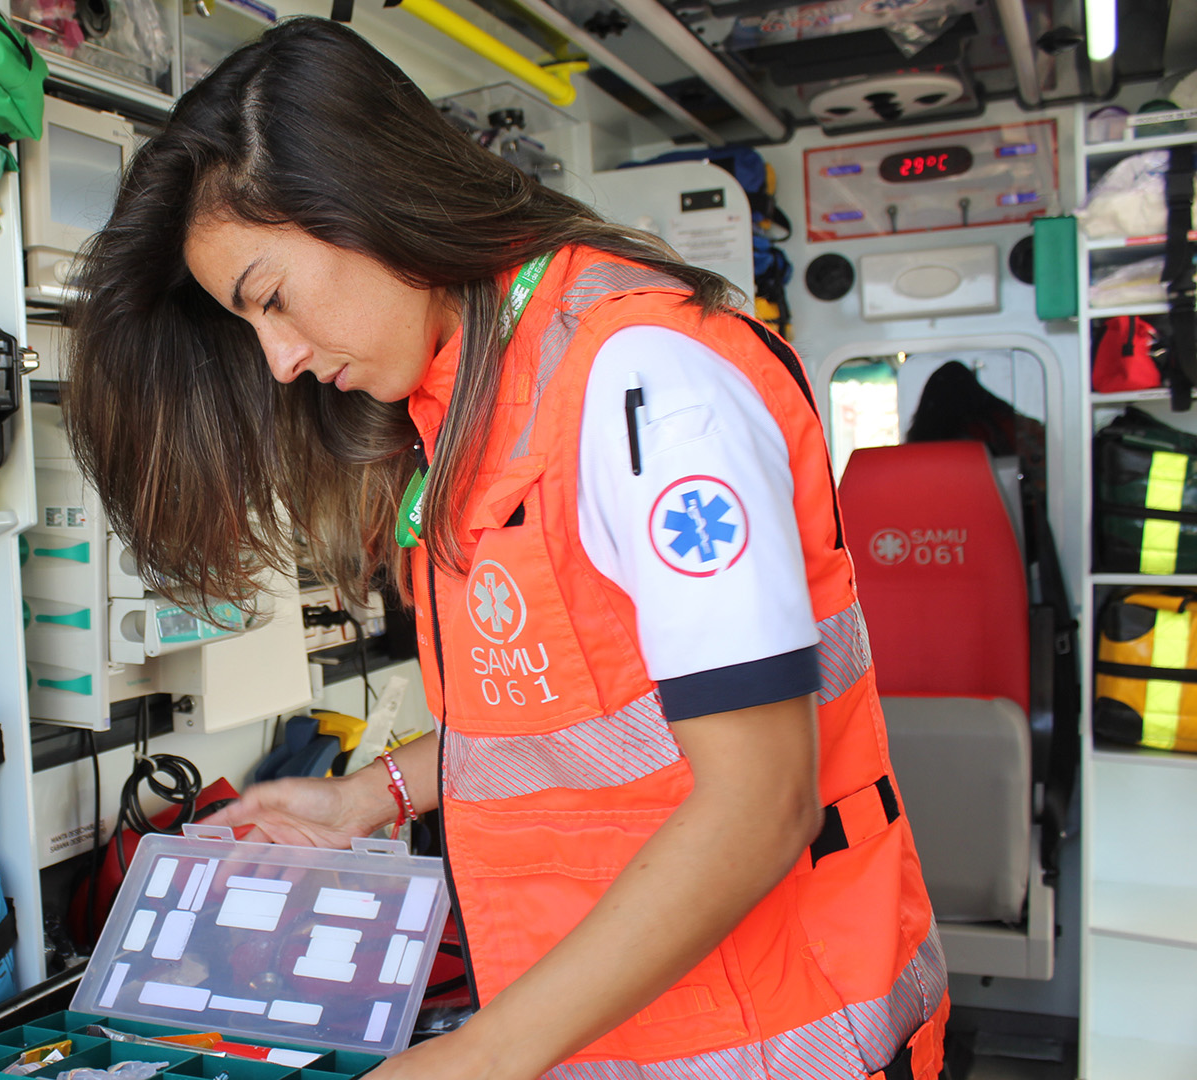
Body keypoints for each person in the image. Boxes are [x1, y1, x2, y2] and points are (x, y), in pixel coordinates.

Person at [63, 18, 946, 1080]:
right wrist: (365, 798)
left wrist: (470, 1060)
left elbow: (762, 801)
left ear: (362, 195)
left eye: (273, 300)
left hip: (776, 1042)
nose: (282, 359)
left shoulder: (646, 390)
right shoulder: (473, 412)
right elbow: (574, 729)